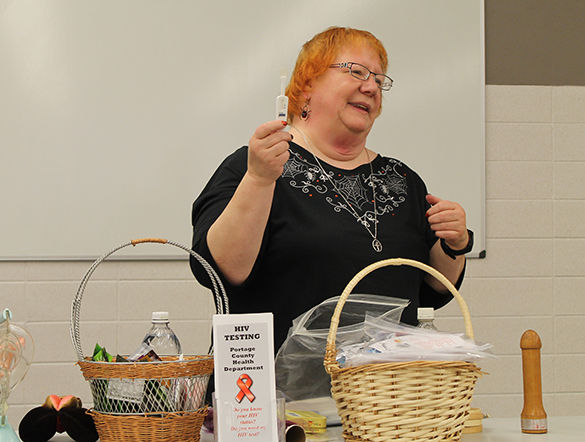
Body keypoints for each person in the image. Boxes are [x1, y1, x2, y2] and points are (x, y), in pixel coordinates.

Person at [190, 27, 473, 352]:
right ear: (307, 84)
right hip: (271, 394)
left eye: (380, 81)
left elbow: (434, 288)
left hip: (380, 394)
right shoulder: (253, 166)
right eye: (356, 72)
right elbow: (220, 270)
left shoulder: (401, 179)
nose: (371, 87)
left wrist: (455, 243)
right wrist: (259, 179)